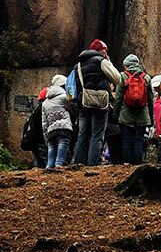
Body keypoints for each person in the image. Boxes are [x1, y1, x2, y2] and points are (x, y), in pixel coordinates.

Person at [72, 38, 122, 167]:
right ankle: (92, 163)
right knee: (97, 134)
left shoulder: (78, 65)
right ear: (101, 51)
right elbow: (118, 79)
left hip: (83, 101)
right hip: (100, 103)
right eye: (105, 51)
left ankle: (78, 163)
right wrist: (109, 62)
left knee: (83, 134)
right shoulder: (102, 61)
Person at [116, 54, 153, 164]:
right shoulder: (146, 77)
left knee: (126, 140)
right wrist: (151, 118)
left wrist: (115, 115)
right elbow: (150, 100)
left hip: (125, 114)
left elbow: (118, 98)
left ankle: (126, 164)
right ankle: (137, 164)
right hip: (142, 114)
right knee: (139, 140)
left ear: (126, 66)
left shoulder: (122, 76)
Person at [41, 75, 74, 169]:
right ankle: (59, 164)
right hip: (64, 127)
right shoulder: (64, 97)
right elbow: (72, 109)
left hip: (51, 130)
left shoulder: (45, 103)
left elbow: (44, 122)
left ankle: (49, 166)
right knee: (63, 143)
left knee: (51, 147)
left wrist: (45, 136)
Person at [22, 85, 48, 168]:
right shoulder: (42, 108)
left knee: (38, 160)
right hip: (40, 140)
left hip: (34, 140)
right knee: (43, 163)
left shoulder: (36, 108)